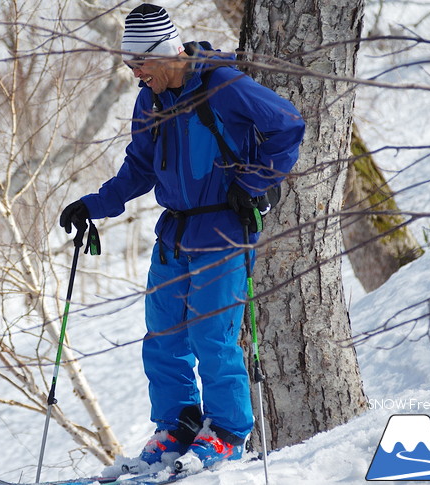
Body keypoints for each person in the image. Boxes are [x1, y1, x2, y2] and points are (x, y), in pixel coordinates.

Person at [59, 3, 305, 472]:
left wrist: (252, 185)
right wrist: (96, 205)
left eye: (140, 63)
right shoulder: (150, 99)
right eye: (129, 65)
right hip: (174, 231)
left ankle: (228, 432)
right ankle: (178, 426)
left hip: (223, 230)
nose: (135, 74)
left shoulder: (223, 85)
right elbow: (140, 167)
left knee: (213, 334)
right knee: (163, 334)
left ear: (167, 53)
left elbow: (288, 126)